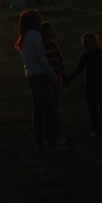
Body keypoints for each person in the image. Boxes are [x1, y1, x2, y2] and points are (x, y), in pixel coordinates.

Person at [15, 10, 67, 154]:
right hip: (40, 76)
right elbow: (42, 58)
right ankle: (51, 144)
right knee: (48, 111)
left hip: (31, 76)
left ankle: (40, 143)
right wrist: (54, 76)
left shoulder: (24, 37)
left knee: (38, 112)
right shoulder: (35, 35)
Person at [65, 32, 102, 138]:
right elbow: (79, 69)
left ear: (95, 42)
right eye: (86, 43)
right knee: (94, 108)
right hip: (92, 85)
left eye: (89, 42)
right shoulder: (89, 55)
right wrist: (69, 79)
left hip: (99, 84)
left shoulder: (100, 54)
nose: (88, 45)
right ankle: (97, 129)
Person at [40, 21, 67, 144]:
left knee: (54, 107)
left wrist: (62, 74)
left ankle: (55, 133)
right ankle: (55, 134)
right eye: (51, 30)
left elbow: (59, 60)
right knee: (51, 109)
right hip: (48, 80)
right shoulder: (42, 47)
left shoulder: (53, 45)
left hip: (55, 79)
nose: (53, 32)